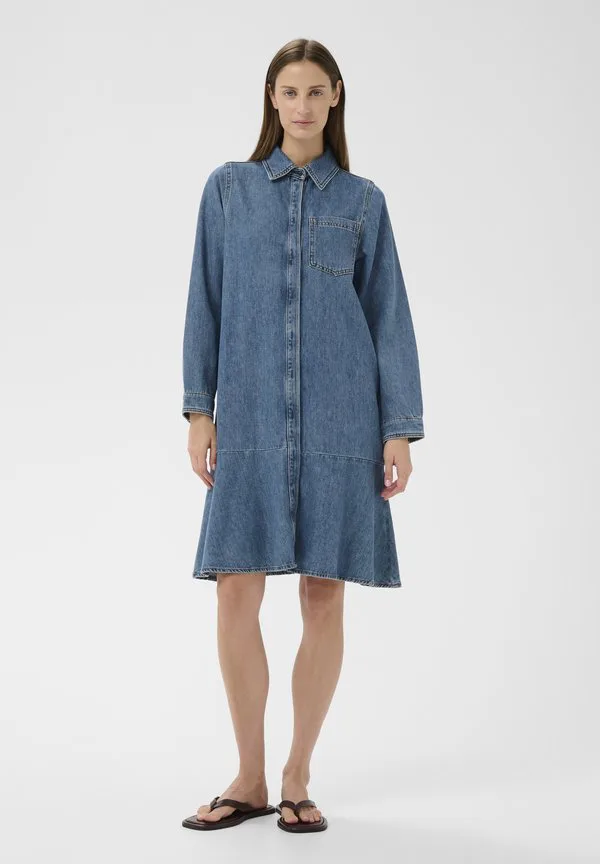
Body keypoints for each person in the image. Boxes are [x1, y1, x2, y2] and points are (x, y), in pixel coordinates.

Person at [180, 39, 425, 834]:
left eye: (316, 91)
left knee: (324, 594)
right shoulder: (229, 191)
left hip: (342, 422)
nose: (302, 106)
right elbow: (204, 302)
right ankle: (248, 776)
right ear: (271, 97)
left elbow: (388, 316)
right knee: (235, 589)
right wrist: (199, 409)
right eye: (290, 91)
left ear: (336, 96)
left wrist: (399, 429)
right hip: (249, 422)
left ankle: (296, 775)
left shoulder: (363, 201)